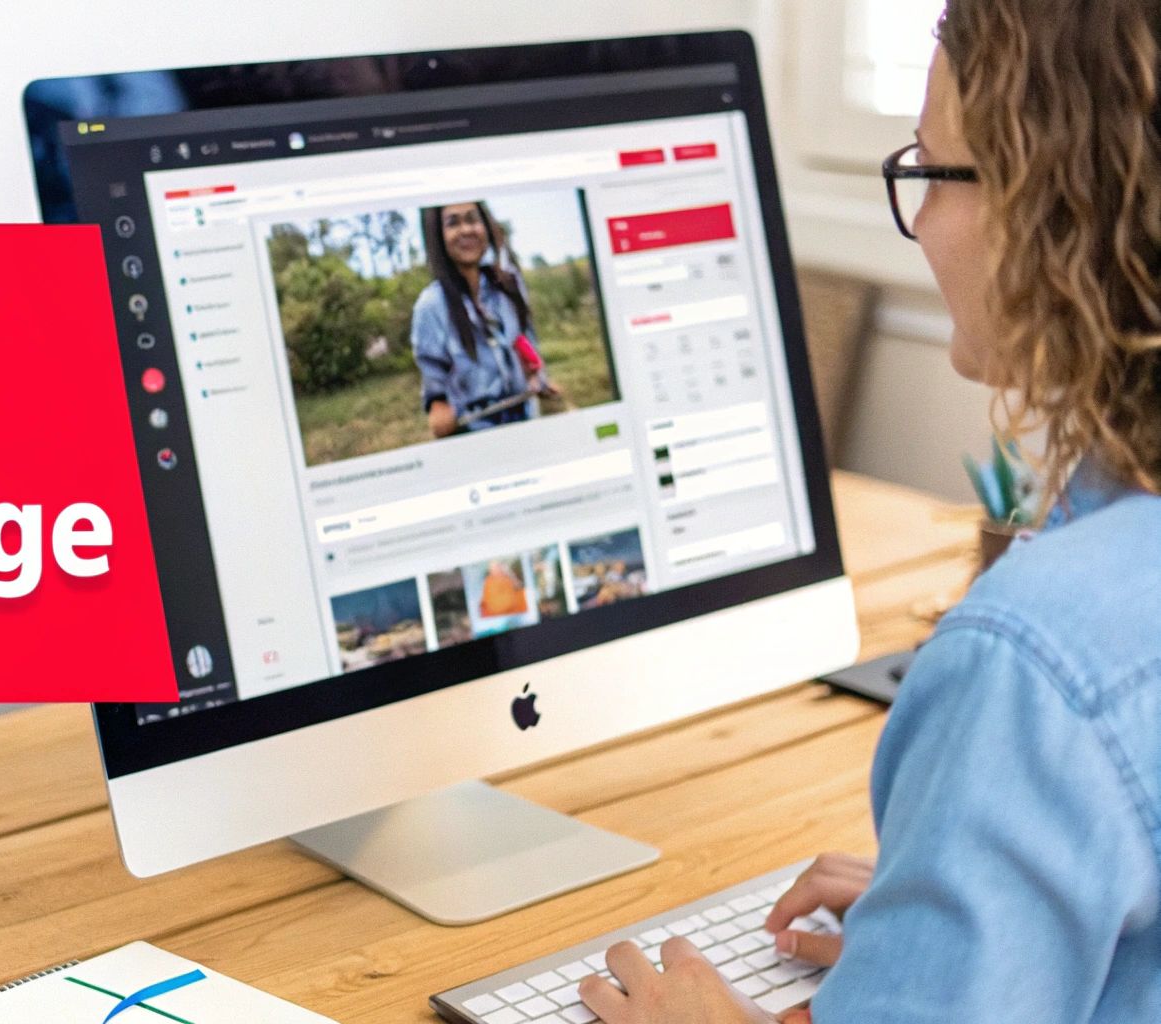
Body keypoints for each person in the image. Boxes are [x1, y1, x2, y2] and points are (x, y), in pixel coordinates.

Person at [578, 3, 1161, 1022]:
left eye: (930, 170)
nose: (920, 217)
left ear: (1053, 209)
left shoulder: (1030, 662)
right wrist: (953, 921)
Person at [411, 201, 560, 437]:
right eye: (453, 223)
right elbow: (434, 381)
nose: (466, 230)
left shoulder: (508, 286)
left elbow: (526, 344)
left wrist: (538, 379)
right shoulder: (431, 306)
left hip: (528, 423)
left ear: (486, 226)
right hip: (478, 434)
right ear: (438, 237)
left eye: (472, 219)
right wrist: (439, 408)